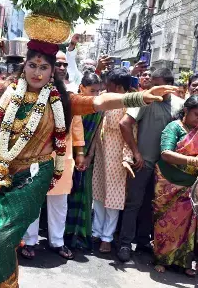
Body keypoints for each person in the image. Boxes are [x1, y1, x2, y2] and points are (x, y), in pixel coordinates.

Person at [0, 10, 175, 288]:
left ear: (52, 71)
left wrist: (139, 96)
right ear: (25, 66)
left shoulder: (63, 100)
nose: (37, 72)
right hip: (4, 174)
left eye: (43, 67)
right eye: (32, 65)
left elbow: (101, 101)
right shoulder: (7, 91)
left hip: (36, 175)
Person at [21, 51, 86, 261]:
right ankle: (29, 241)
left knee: (59, 202)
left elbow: (76, 126)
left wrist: (80, 153)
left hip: (62, 157)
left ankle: (57, 241)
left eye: (64, 64)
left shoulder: (69, 94)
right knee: (31, 200)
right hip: (34, 156)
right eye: (57, 63)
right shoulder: (29, 91)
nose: (61, 67)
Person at [116, 68, 184, 262]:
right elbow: (124, 124)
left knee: (152, 205)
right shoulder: (145, 100)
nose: (150, 87)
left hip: (165, 167)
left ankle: (143, 240)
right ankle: (125, 243)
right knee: (133, 204)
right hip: (144, 163)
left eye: (156, 84)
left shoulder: (180, 105)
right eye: (151, 83)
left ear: (169, 85)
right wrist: (136, 152)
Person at [153, 95, 198, 277]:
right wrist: (195, 161)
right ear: (185, 111)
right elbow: (166, 153)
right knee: (167, 223)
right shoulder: (174, 127)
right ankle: (162, 259)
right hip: (169, 183)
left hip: (191, 185)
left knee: (189, 226)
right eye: (196, 114)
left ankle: (185, 261)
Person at [92, 68, 134, 254]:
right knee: (99, 194)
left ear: (117, 87)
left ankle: (107, 238)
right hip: (102, 154)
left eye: (107, 84)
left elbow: (131, 133)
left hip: (117, 156)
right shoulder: (105, 98)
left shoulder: (129, 103)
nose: (104, 87)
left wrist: (127, 157)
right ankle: (96, 232)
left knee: (114, 198)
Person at [64, 73, 103, 250]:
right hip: (68, 156)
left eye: (98, 91)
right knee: (66, 196)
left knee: (83, 197)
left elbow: (96, 135)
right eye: (92, 91)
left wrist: (88, 157)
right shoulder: (74, 105)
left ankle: (80, 234)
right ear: (81, 88)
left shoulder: (99, 109)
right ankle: (62, 234)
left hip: (86, 158)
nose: (96, 95)